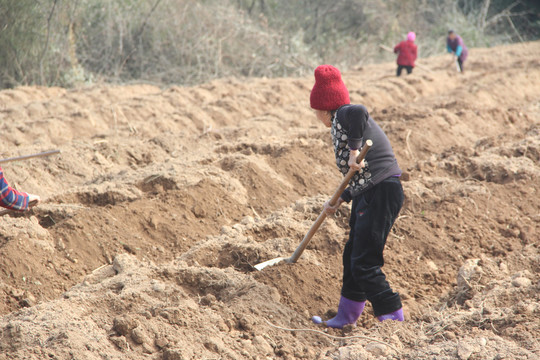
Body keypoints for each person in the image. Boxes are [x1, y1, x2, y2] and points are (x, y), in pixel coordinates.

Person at [309, 65, 404, 328]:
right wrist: (343, 197)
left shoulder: (344, 114)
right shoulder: (341, 121)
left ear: (324, 107)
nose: (316, 116)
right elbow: (361, 176)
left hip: (382, 191)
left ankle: (393, 320)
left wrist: (353, 152)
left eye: (315, 111)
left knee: (364, 262)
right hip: (370, 190)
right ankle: (346, 316)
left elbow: (361, 110)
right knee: (353, 255)